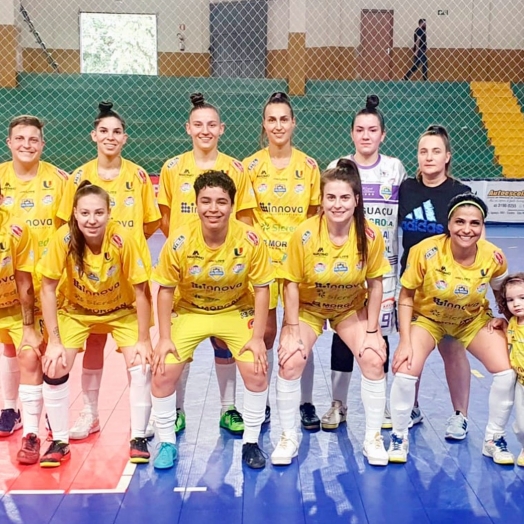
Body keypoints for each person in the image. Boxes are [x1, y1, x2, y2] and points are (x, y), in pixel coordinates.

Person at [151, 171, 274, 469]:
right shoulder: (180, 241)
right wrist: (164, 338)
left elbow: (261, 291)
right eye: (205, 201)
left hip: (234, 309)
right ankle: (166, 441)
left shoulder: (250, 240)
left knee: (256, 370)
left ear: (232, 205)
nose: (213, 208)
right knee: (162, 370)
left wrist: (257, 339)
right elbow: (165, 292)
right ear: (195, 204)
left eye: (221, 201)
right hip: (191, 309)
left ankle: (252, 442)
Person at [273, 159, 391, 466]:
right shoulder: (304, 234)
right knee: (290, 360)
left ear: (356, 200)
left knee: (374, 358)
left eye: (344, 198)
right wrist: (291, 328)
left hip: (349, 309)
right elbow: (292, 284)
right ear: (322, 201)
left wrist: (373, 331)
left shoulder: (370, 235)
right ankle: (287, 438)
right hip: (310, 309)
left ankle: (373, 438)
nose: (337, 204)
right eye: (331, 197)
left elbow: (376, 285)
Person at [56, 102, 160, 440]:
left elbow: (150, 223)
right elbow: (65, 225)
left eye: (116, 132)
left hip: (126, 284)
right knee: (95, 343)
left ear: (125, 138)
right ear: (94, 136)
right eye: (104, 131)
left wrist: (120, 253)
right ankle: (90, 414)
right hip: (87, 283)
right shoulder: (77, 177)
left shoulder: (139, 175)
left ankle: (140, 425)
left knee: (139, 355)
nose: (110, 137)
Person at [389, 193, 516, 465]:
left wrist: (505, 318)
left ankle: (493, 438)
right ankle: (399, 437)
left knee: (506, 372)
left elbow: (502, 291)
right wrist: (405, 340)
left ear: (482, 226)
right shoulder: (425, 251)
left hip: (471, 321)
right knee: (406, 367)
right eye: (460, 222)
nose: (467, 229)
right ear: (449, 224)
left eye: (475, 223)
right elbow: (406, 295)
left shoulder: (494, 256)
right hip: (428, 319)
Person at [157, 93, 256, 435]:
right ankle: (179, 409)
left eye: (211, 125)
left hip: (227, 272)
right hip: (186, 271)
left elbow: (245, 220)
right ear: (188, 128)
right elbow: (166, 221)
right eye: (198, 124)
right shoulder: (172, 168)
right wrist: (188, 252)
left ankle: (228, 409)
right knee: (178, 348)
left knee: (224, 343)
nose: (205, 130)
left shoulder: (236, 169)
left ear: (221, 129)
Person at [38, 181, 153, 467]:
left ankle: (138, 436)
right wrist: (53, 342)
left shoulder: (123, 239)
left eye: (99, 213)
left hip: (121, 309)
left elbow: (142, 291)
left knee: (141, 364)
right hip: (77, 310)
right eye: (85, 213)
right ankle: (59, 440)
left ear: (109, 213)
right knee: (54, 363)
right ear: (75, 213)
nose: (92, 220)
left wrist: (144, 339)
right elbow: (47, 288)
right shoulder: (63, 239)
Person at [320, 95, 407, 431]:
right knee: (343, 338)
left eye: (372, 130)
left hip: (382, 272)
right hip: (343, 272)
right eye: (360, 129)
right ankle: (338, 405)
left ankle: (380, 405)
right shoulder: (339, 166)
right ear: (352, 134)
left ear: (382, 134)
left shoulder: (394, 169)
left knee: (378, 338)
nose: (366, 135)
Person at [243, 91, 321, 429]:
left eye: (284, 119)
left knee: (300, 333)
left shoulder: (309, 166)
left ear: (294, 123)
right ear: (264, 124)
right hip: (261, 264)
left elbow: (315, 215)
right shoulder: (249, 166)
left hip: (298, 266)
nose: (278, 125)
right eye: (271, 119)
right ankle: (263, 403)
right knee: (265, 333)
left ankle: (304, 402)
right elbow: (244, 218)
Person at [0, 115, 68, 464]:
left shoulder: (58, 181)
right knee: (12, 348)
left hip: (45, 281)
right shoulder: (0, 176)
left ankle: (50, 422)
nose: (26, 144)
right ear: (9, 143)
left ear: (42, 145)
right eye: (20, 138)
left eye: (33, 139)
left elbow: (65, 233)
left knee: (44, 353)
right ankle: (11, 410)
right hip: (7, 284)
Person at [399, 125, 473, 440]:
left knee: (452, 349)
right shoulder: (406, 189)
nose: (429, 157)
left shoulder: (460, 193)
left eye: (436, 151)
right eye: (423, 151)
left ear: (447, 156)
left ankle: (460, 416)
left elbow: (472, 240)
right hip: (413, 285)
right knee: (411, 350)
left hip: (450, 289)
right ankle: (412, 408)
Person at [494, 273, 524, 466]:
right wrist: (502, 323)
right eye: (510, 300)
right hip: (521, 382)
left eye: (522, 298)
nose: (516, 304)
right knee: (521, 425)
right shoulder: (513, 322)